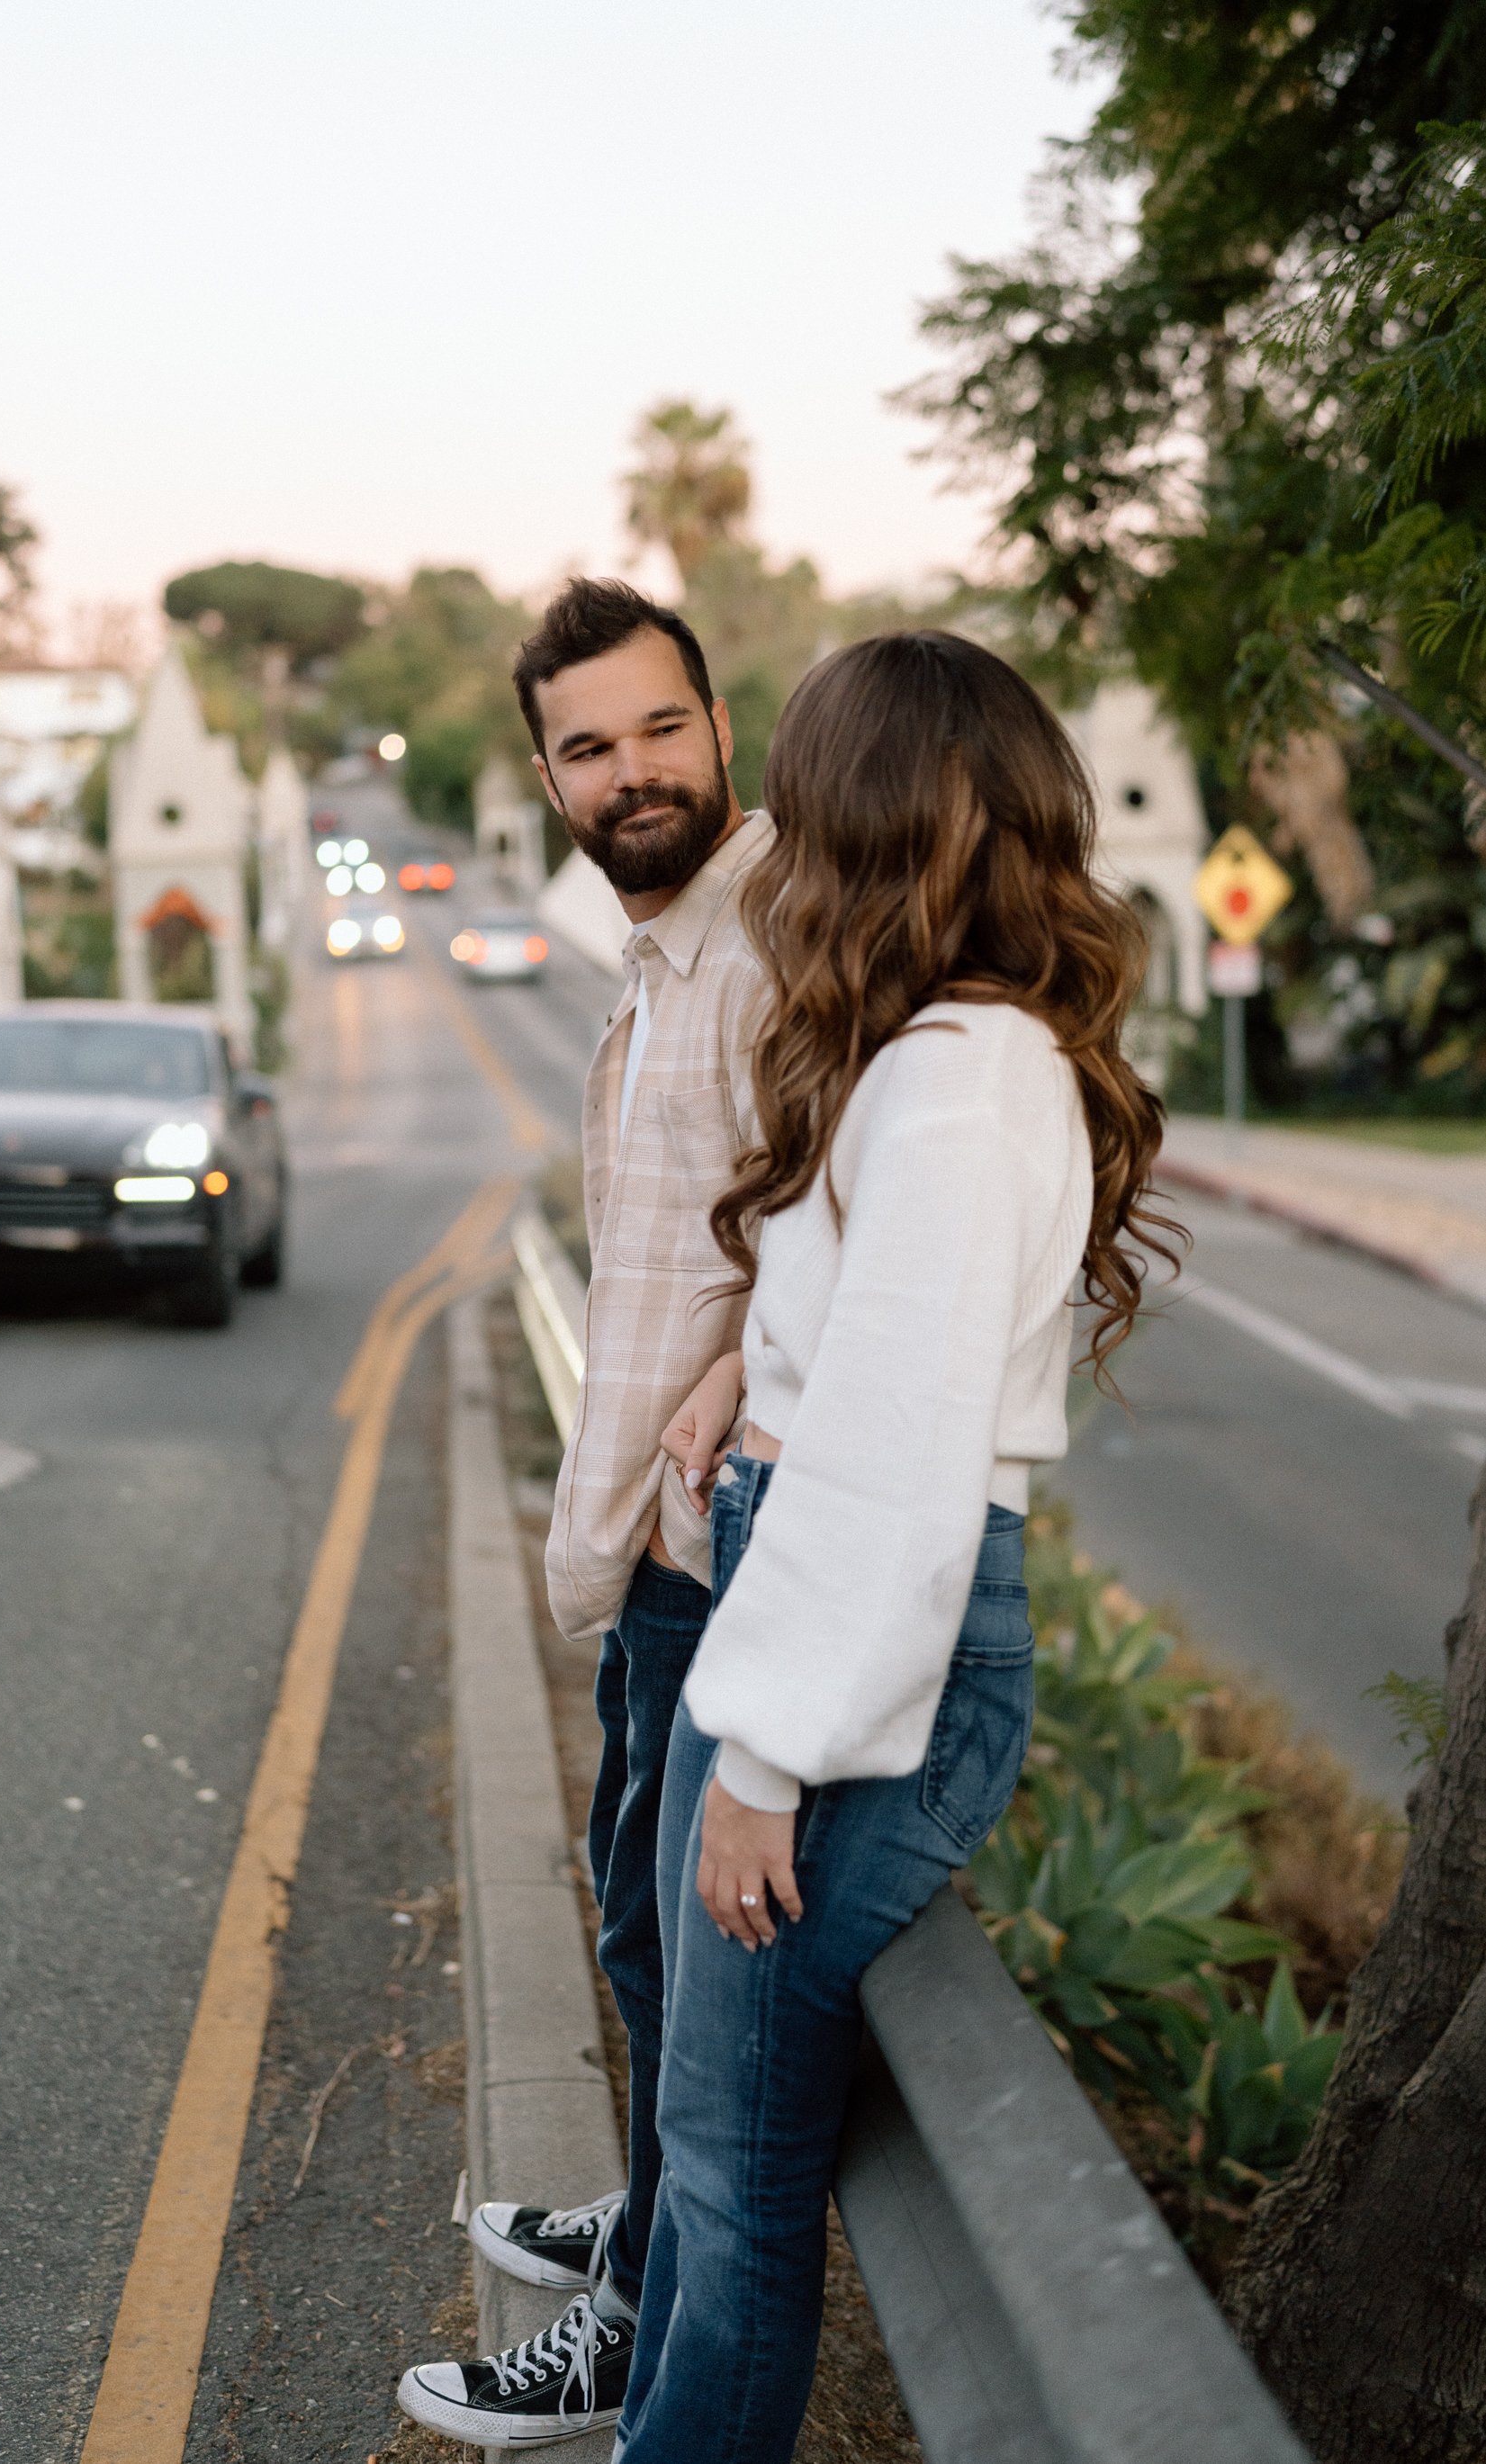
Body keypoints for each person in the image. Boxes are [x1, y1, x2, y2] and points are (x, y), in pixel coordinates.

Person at [614, 630, 1179, 2460]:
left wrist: (768, 1750)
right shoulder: (938, 1055)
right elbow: (846, 1369)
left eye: (798, 784)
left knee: (736, 2169)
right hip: (803, 1613)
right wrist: (733, 1380)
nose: (771, 827)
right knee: (717, 2157)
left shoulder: (955, 1077)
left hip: (853, 1668)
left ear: (869, 819)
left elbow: (901, 1454)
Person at [398, 579, 773, 2448]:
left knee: (691, 2003)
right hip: (653, 1560)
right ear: (545, 775)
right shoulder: (657, 960)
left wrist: (748, 1373)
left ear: (723, 724)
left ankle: (627, 2328)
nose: (630, 772)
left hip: (731, 1573)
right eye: (586, 746)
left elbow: (874, 1220)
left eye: (658, 728)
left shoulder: (783, 940)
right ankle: (637, 2224)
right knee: (633, 1947)